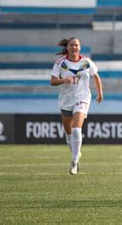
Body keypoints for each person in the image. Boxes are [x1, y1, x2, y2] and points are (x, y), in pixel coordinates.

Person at [50, 37, 103, 175]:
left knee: (76, 128)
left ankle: (74, 160)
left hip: (82, 98)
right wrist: (63, 80)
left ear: (80, 47)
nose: (74, 47)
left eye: (77, 45)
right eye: (72, 45)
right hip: (66, 100)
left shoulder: (86, 61)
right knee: (68, 133)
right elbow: (53, 81)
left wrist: (100, 93)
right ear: (67, 47)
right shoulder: (61, 62)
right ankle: (76, 154)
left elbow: (95, 76)